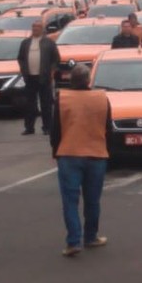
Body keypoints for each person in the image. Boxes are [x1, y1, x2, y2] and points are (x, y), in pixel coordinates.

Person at [50, 64, 113, 256]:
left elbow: (55, 129)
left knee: (70, 201)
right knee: (93, 200)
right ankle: (91, 237)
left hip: (69, 153)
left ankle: (73, 241)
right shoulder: (102, 98)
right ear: (88, 81)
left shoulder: (62, 98)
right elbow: (108, 127)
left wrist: (56, 152)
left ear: (71, 81)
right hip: (96, 153)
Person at [17, 21, 61, 136]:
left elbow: (56, 59)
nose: (35, 29)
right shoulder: (25, 43)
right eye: (33, 26)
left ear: (42, 29)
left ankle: (47, 127)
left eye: (37, 27)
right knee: (29, 103)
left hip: (44, 78)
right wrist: (24, 70)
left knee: (46, 103)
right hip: (29, 77)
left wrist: (51, 71)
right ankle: (29, 127)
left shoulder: (49, 43)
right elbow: (20, 58)